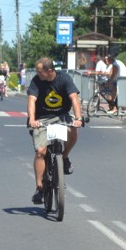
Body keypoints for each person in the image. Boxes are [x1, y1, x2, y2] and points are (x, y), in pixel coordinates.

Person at [27, 57, 83, 204]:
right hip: (42, 119)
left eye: (40, 71)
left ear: (49, 71)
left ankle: (64, 157)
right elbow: (32, 100)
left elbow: (74, 98)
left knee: (73, 130)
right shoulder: (36, 81)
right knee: (41, 152)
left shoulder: (64, 79)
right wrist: (32, 119)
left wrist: (78, 118)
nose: (37, 73)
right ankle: (39, 188)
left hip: (62, 116)